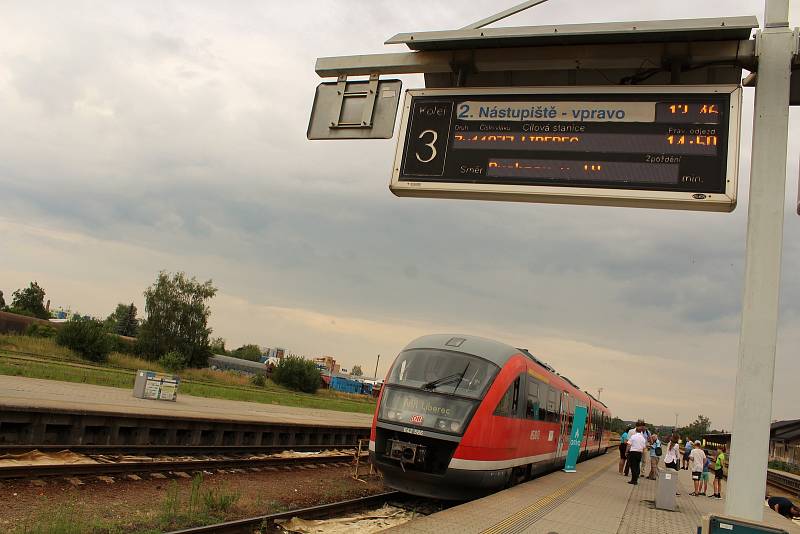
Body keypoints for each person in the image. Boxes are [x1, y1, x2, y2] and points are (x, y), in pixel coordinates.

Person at [626, 421, 647, 485]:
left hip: (633, 453)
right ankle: (636, 479)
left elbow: (629, 445)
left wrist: (627, 451)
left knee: (633, 467)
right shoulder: (643, 438)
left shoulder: (633, 436)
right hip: (639, 453)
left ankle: (633, 480)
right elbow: (644, 447)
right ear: (641, 431)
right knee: (637, 466)